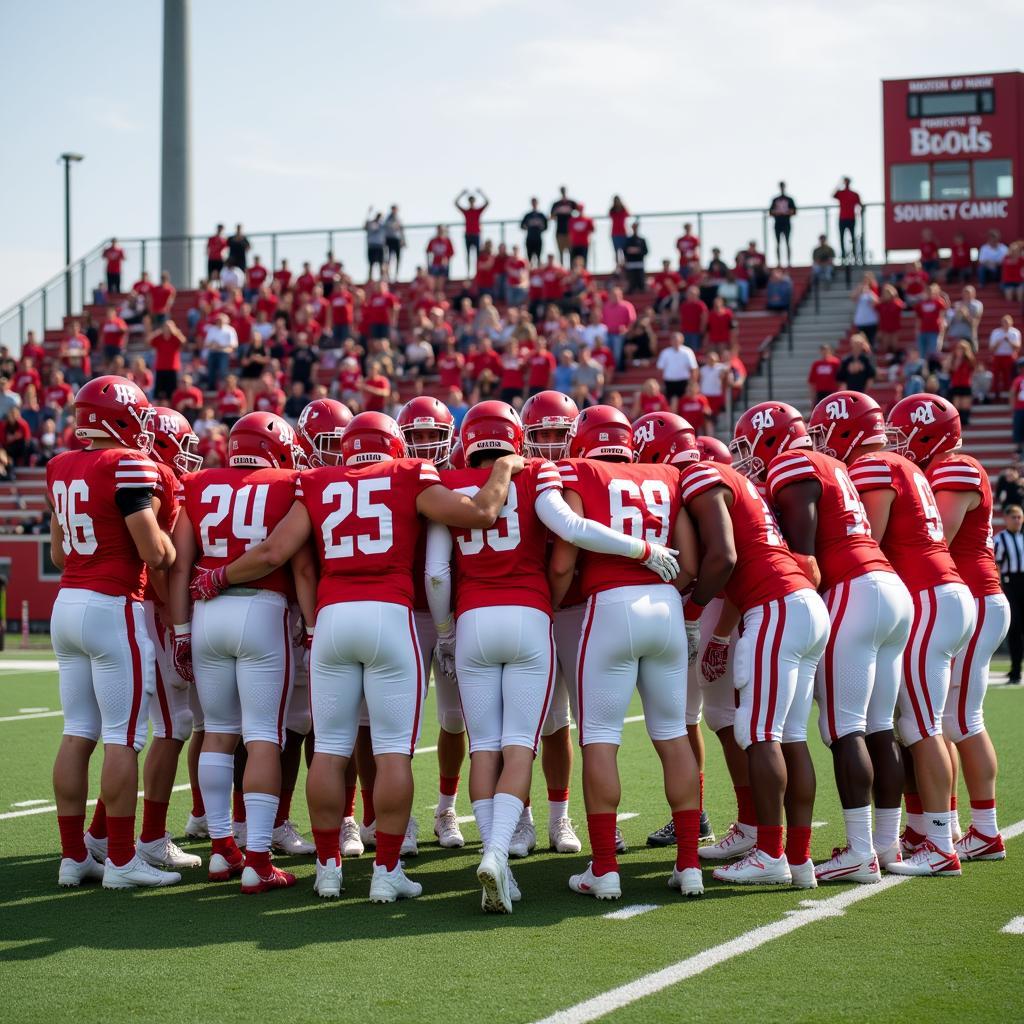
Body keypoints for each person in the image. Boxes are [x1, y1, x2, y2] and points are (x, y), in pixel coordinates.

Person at [190, 411, 523, 903]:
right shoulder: (409, 474)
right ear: (394, 446)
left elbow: (279, 548)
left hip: (332, 619)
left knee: (329, 750)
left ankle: (328, 868)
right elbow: (480, 514)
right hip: (388, 616)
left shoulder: (319, 481)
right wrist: (503, 470)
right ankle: (386, 870)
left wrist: (217, 577)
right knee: (393, 752)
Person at [735, 401, 911, 884]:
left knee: (843, 728)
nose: (748, 457)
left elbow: (806, 560)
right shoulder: (835, 465)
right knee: (878, 725)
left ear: (771, 440)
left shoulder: (795, 463)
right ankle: (884, 843)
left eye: (751, 446)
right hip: (887, 585)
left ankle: (859, 850)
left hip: (852, 590)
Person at [549, 406, 701, 900]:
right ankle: (689, 864)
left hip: (609, 605)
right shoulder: (666, 475)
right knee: (674, 734)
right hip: (665, 607)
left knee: (599, 739)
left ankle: (606, 867)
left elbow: (563, 562)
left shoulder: (581, 472)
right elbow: (688, 562)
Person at [676, 418, 830, 888]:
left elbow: (725, 559)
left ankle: (769, 852)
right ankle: (799, 860)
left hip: (776, 608)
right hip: (803, 602)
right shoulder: (750, 489)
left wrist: (694, 610)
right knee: (789, 737)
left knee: (760, 734)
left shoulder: (704, 477)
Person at [48, 375, 181, 890]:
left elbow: (59, 553)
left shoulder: (60, 465)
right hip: (112, 605)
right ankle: (122, 860)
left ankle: (73, 855)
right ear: (121, 416)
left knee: (77, 731)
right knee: (122, 737)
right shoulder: (126, 463)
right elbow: (156, 553)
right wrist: (171, 537)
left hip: (67, 603)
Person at [844, 396, 974, 877]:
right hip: (939, 592)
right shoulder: (906, 466)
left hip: (929, 595)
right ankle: (937, 828)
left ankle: (940, 842)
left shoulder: (878, 465)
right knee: (923, 722)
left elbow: (866, 539)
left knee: (921, 726)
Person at [920, 399, 1011, 861]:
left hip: (973, 594)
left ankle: (987, 829)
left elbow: (938, 537)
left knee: (959, 719)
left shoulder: (958, 469)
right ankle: (957, 824)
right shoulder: (941, 472)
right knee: (942, 719)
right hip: (969, 597)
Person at [993, 505, 1024, 685]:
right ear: (1006, 519)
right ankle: (1015, 671)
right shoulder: (1000, 539)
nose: (1017, 520)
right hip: (1010, 584)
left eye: (1019, 517)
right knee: (1015, 629)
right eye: (1013, 517)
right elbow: (996, 564)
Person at [656, 332, 698, 409]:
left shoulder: (688, 352)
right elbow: (660, 369)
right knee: (670, 405)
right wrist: (661, 383)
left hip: (684, 382)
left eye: (677, 340)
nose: (676, 342)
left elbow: (694, 368)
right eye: (674, 340)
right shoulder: (665, 352)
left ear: (682, 340)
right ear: (671, 341)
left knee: (684, 405)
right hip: (669, 383)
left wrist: (693, 383)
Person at [149, 320, 186, 401]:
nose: (167, 329)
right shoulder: (159, 338)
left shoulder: (175, 338)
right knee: (158, 393)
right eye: (166, 327)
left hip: (172, 368)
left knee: (171, 393)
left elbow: (183, 342)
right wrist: (157, 332)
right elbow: (148, 341)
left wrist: (176, 332)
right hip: (160, 368)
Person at [455, 189, 489, 275]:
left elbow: (487, 202)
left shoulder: (478, 211)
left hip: (476, 235)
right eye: (470, 201)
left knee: (478, 255)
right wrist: (461, 194)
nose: (471, 203)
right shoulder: (466, 212)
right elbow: (456, 203)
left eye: (473, 201)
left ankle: (477, 272)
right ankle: (468, 272)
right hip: (468, 235)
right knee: (468, 254)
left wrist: (481, 193)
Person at [990, 315, 1022, 399]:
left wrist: (1009, 341)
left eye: (1007, 323)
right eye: (1004, 322)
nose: (1005, 324)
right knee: (996, 375)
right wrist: (999, 342)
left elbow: (1017, 347)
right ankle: (996, 393)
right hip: (998, 356)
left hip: (1009, 356)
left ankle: (1009, 393)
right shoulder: (996, 332)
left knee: (1009, 376)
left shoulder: (1015, 332)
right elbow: (991, 348)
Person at [946, 341, 977, 424]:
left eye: (962, 349)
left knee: (965, 406)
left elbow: (973, 370)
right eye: (958, 349)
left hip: (966, 385)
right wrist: (956, 360)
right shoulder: (953, 359)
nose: (960, 351)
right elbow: (950, 370)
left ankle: (965, 421)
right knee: (957, 406)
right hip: (956, 385)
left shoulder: (969, 360)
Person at [914, 283, 948, 359]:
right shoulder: (920, 304)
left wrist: (942, 327)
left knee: (933, 352)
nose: (929, 293)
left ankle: (933, 368)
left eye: (930, 291)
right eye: (927, 291)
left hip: (934, 330)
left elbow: (943, 314)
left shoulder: (939, 302)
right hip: (923, 330)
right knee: (922, 352)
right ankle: (923, 369)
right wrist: (917, 330)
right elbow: (918, 318)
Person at [833, 177, 861, 262]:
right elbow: (833, 195)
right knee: (842, 237)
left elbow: (860, 204)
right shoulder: (841, 193)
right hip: (842, 218)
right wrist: (839, 184)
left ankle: (855, 255)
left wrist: (859, 214)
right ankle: (843, 255)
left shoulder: (854, 194)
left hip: (851, 218)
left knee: (852, 237)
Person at [768, 182, 797, 266]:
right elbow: (771, 212)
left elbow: (794, 211)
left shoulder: (789, 199)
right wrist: (778, 212)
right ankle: (779, 263)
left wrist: (785, 212)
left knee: (787, 243)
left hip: (786, 223)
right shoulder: (775, 199)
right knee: (778, 243)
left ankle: (788, 262)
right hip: (778, 223)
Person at [550, 187, 579, 266]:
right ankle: (562, 269)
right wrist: (557, 212)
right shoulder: (556, 204)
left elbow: (579, 210)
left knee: (571, 252)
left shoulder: (571, 203)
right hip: (559, 232)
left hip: (570, 232)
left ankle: (571, 269)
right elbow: (551, 217)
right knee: (561, 253)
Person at [678, 286, 708, 351]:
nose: (690, 295)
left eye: (692, 294)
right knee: (684, 350)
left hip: (695, 333)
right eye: (689, 293)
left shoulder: (701, 305)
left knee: (694, 351)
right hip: (685, 332)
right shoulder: (684, 305)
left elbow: (704, 318)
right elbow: (681, 317)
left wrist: (702, 330)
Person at [621, 222, 648, 293]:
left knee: (640, 279)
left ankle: (641, 289)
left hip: (639, 262)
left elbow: (646, 251)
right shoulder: (628, 240)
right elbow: (624, 250)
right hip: (630, 263)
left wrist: (638, 251)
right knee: (631, 279)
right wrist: (630, 251)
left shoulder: (642, 240)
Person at [520, 198, 548, 266]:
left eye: (535, 202)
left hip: (538, 238)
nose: (534, 204)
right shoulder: (528, 215)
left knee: (539, 257)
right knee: (529, 259)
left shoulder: (541, 215)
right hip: (530, 238)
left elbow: (546, 227)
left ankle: (538, 273)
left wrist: (539, 226)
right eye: (533, 202)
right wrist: (529, 225)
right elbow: (522, 226)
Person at [383, 205, 405, 279]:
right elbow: (386, 228)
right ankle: (388, 275)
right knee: (388, 258)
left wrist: (403, 240)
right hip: (390, 240)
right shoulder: (387, 219)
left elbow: (401, 230)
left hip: (397, 240)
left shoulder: (399, 218)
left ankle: (396, 275)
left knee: (398, 258)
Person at [365, 210, 387, 280]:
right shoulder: (370, 224)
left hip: (380, 246)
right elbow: (365, 226)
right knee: (371, 264)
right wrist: (368, 213)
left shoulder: (383, 225)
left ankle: (382, 279)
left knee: (381, 264)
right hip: (372, 246)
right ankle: (370, 279)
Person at [609, 196, 630, 264]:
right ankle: (617, 266)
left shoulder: (623, 210)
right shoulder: (612, 211)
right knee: (616, 251)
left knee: (625, 251)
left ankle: (625, 265)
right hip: (615, 233)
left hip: (623, 233)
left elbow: (628, 214)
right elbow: (609, 214)